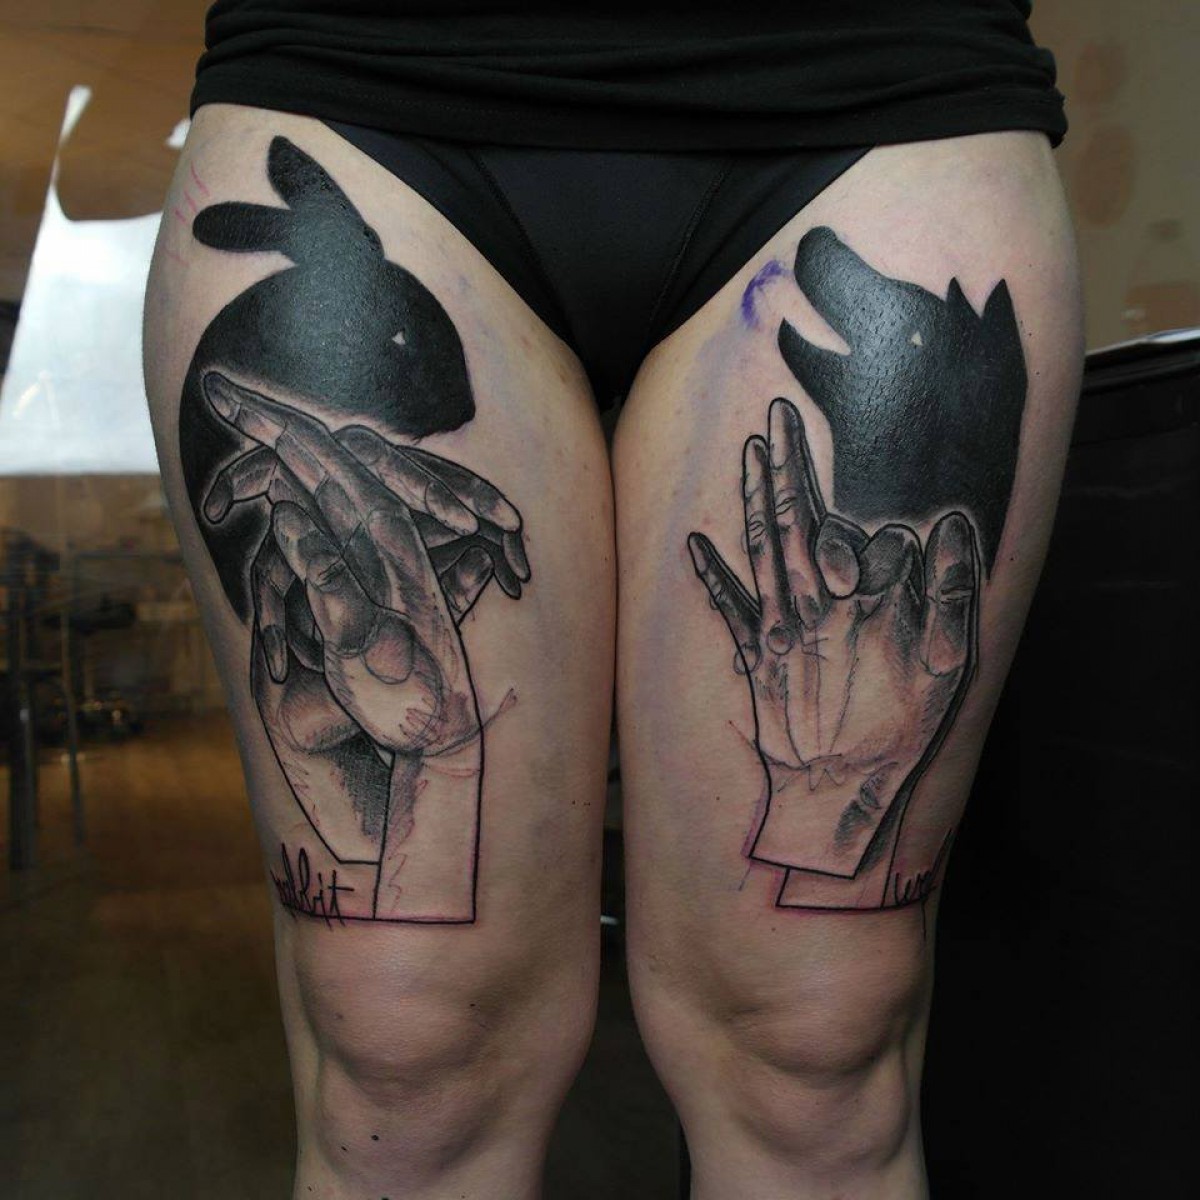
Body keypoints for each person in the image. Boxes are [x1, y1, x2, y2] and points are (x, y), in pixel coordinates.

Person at [143, 3, 1081, 1196]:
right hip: (364, 73)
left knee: (816, 1052)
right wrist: (433, 777)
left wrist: (826, 811)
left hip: (883, 82)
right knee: (404, 1052)